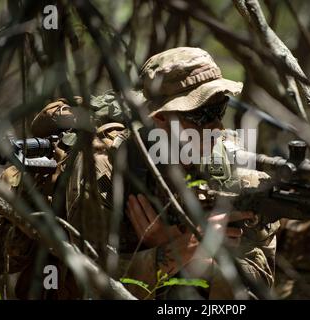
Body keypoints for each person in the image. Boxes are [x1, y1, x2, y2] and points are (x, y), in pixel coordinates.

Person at [66, 47, 279, 299]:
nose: (217, 126)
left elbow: (259, 289)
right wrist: (169, 254)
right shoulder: (103, 167)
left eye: (219, 108)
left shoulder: (234, 169)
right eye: (201, 115)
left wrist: (192, 258)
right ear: (160, 118)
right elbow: (90, 286)